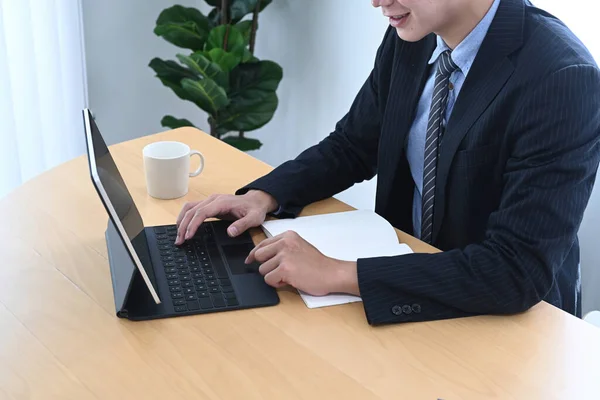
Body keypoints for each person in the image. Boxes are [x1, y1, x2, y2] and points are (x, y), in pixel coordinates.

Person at [176, 0, 600, 325]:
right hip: (410, 292)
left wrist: (338, 274)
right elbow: (354, 144)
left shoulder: (562, 77)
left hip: (506, 322)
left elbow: (514, 271)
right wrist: (265, 195)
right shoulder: (414, 36)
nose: (376, 1)